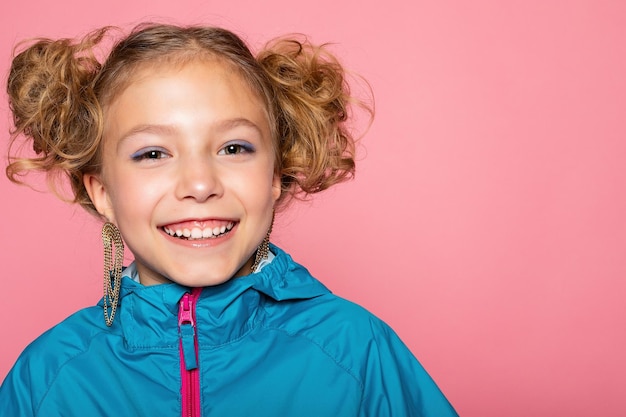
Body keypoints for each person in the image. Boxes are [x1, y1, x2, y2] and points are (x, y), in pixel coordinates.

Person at [0, 23, 458, 416]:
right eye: (153, 153)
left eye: (234, 148)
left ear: (275, 175)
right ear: (102, 192)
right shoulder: (47, 378)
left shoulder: (354, 350)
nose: (200, 184)